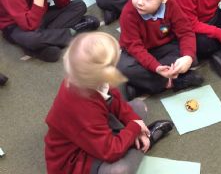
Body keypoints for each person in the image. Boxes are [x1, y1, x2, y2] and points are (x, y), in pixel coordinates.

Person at [45, 31, 173, 174]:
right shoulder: (83, 108)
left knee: (138, 107)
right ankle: (143, 143)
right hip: (77, 159)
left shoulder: (87, 78)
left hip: (94, 131)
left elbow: (114, 101)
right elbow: (110, 152)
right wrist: (135, 128)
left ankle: (134, 140)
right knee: (119, 170)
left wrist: (134, 122)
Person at [118, 0, 203, 97]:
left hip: (164, 48)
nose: (139, 2)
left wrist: (187, 56)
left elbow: (185, 32)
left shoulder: (171, 6)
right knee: (123, 67)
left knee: (192, 54)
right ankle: (173, 82)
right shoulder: (128, 13)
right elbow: (135, 47)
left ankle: (141, 86)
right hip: (135, 52)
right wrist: (156, 67)